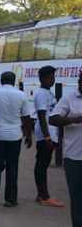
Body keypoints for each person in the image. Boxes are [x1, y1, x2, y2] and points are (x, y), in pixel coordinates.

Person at [0, 71, 33, 207]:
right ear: (14, 81)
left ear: (1, 80)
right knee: (12, 166)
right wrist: (28, 135)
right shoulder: (21, 95)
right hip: (15, 136)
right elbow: (27, 118)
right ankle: (10, 199)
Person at [50, 73, 82, 227]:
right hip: (74, 159)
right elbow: (53, 118)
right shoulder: (69, 98)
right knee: (77, 199)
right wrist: (75, 119)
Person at [33, 66, 64, 207]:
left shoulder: (47, 93)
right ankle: (43, 196)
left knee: (43, 164)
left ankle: (42, 195)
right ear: (42, 78)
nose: (52, 80)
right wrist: (47, 138)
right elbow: (41, 116)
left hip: (50, 134)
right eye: (49, 78)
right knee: (42, 165)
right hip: (45, 136)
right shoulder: (41, 94)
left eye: (53, 77)